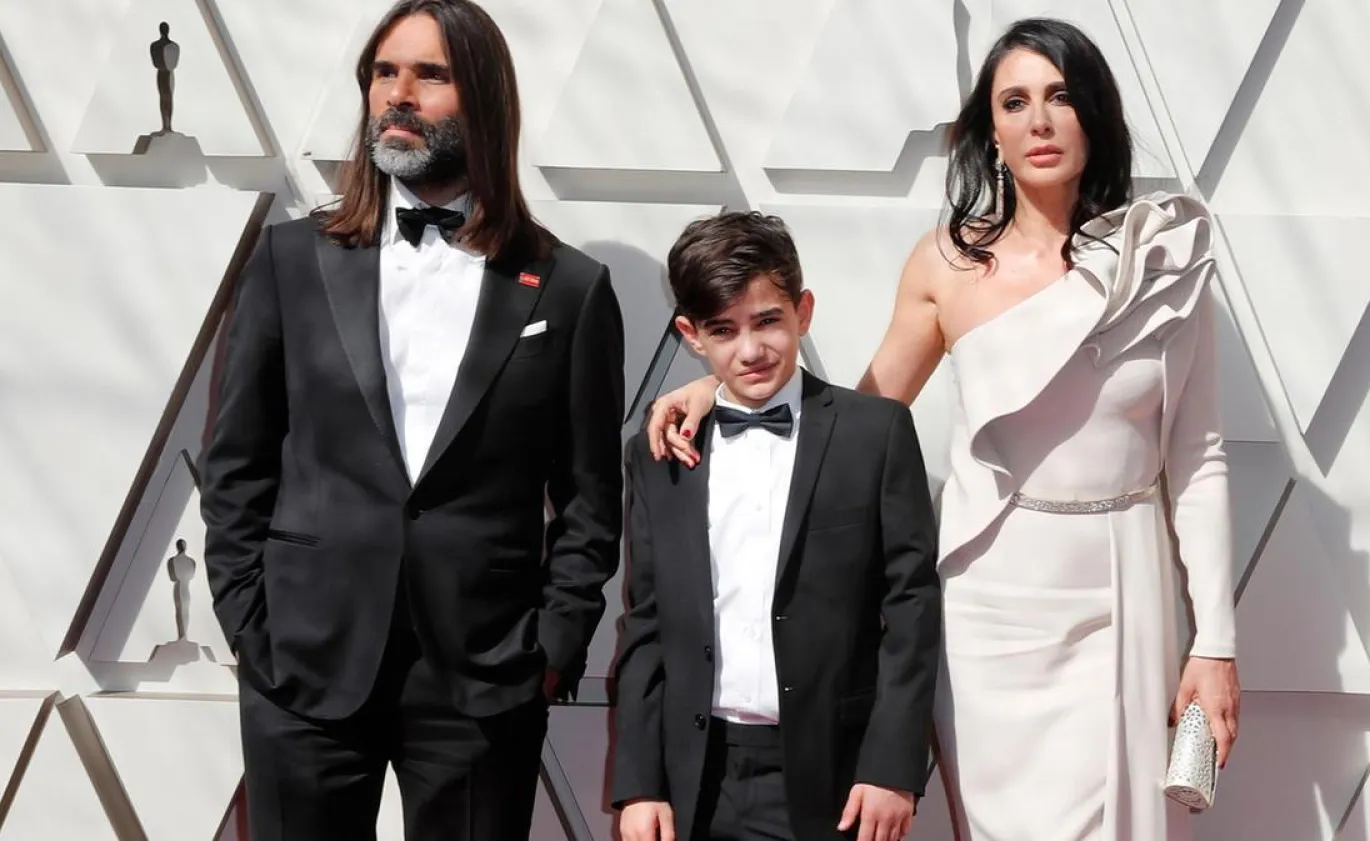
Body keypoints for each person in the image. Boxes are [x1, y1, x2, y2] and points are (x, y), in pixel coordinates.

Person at [645, 18, 1240, 841]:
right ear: (989, 131)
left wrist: (1217, 640)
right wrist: (726, 391)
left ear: (1095, 115)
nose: (1039, 121)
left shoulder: (1162, 259)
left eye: (1061, 97)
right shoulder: (944, 265)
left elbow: (1199, 457)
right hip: (986, 604)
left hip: (1121, 587)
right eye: (1015, 102)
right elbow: (849, 419)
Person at [198, 1, 624, 838]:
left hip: (485, 672)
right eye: (384, 73)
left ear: (485, 99)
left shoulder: (570, 289)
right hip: (304, 660)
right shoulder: (292, 260)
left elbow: (588, 498)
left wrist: (551, 646)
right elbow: (235, 461)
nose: (398, 93)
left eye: (429, 74)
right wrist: (252, 624)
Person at [613, 211, 942, 841]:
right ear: (691, 334)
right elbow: (647, 621)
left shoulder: (874, 434)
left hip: (837, 777)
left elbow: (912, 608)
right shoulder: (662, 451)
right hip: (695, 776)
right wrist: (640, 781)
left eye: (768, 320)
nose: (752, 349)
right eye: (723, 330)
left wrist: (892, 766)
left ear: (803, 311)